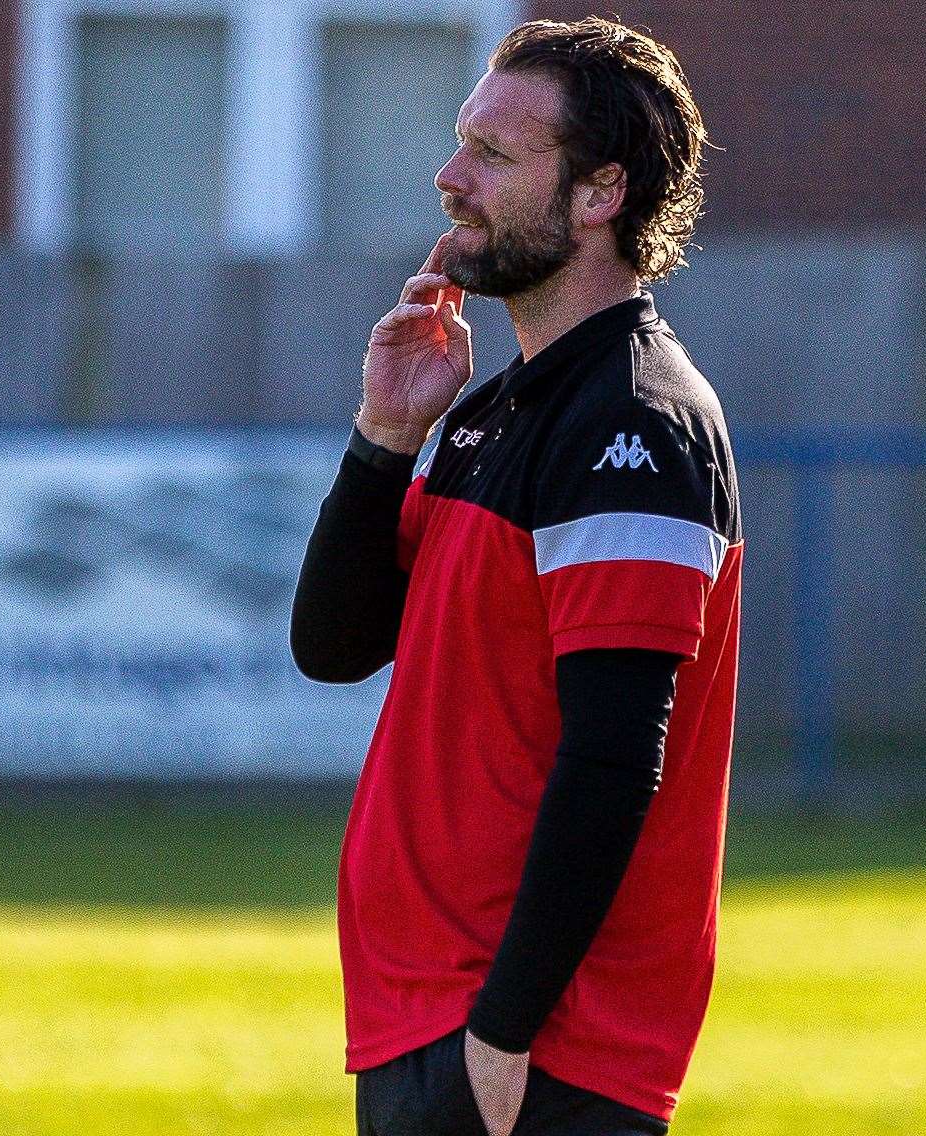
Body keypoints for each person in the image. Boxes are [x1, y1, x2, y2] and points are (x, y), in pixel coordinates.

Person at [291, 17, 742, 1136]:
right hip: (428, 1017)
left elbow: (611, 756)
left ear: (599, 194)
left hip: (536, 1047)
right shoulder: (495, 408)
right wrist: (385, 434)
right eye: (460, 144)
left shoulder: (632, 420)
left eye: (493, 155)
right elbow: (334, 645)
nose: (450, 179)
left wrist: (504, 1028)